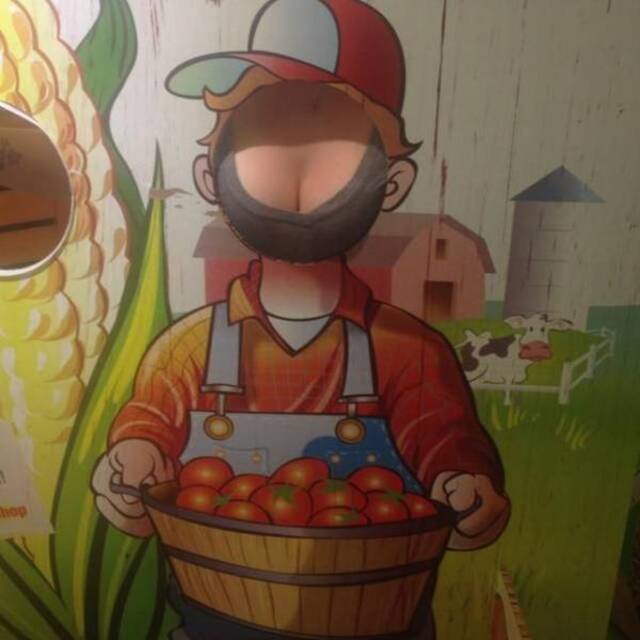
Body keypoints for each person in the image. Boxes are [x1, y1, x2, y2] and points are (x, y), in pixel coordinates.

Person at [91, 1, 509, 638]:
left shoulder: (409, 352)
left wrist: (467, 488)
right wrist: (130, 463)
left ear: (393, 181)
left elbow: (446, 440)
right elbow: (148, 427)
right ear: (209, 174)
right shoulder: (187, 350)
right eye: (265, 133)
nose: (295, 170)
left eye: (331, 135)